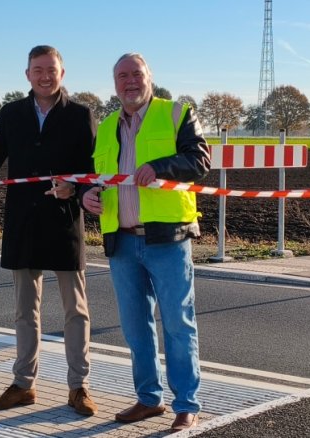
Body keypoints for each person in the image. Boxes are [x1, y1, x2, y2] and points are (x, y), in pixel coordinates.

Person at [0, 45, 98, 416]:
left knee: (76, 310)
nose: (45, 76)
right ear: (27, 74)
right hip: (23, 223)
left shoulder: (80, 114)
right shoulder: (12, 113)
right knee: (25, 311)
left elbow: (92, 169)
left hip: (63, 223)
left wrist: (74, 188)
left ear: (62, 73)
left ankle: (79, 387)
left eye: (51, 70)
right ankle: (24, 385)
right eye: (38, 70)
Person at [80, 53, 210, 431]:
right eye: (122, 76)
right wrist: (88, 195)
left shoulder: (176, 113)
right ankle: (148, 400)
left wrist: (162, 167)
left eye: (136, 74)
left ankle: (186, 403)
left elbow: (200, 159)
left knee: (177, 324)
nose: (129, 81)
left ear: (149, 77)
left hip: (167, 239)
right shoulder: (105, 128)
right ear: (115, 83)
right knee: (136, 327)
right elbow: (97, 178)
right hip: (121, 242)